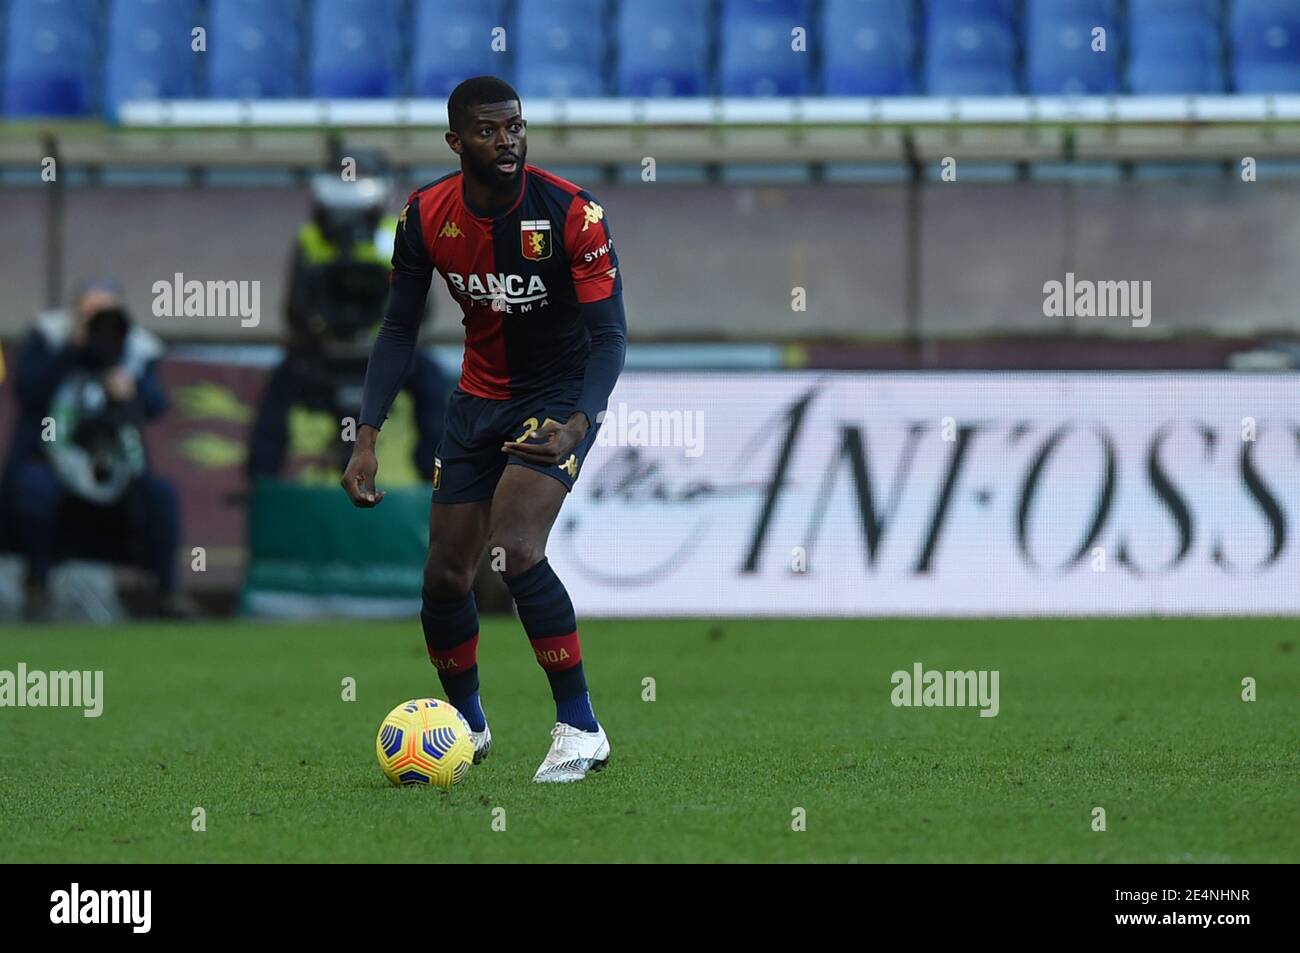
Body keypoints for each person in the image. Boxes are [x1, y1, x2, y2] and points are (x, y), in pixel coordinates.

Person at [342, 76, 627, 783]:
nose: (507, 141)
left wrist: (577, 424)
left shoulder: (572, 213)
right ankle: (466, 724)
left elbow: (612, 336)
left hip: (557, 396)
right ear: (456, 140)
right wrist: (368, 434)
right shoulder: (424, 215)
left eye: (516, 127)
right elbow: (399, 327)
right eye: (489, 131)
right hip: (477, 399)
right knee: (444, 574)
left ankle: (580, 728)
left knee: (518, 549)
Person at [248, 163, 447, 480]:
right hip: (323, 352)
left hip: (384, 350)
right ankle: (260, 484)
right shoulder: (310, 240)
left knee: (432, 383)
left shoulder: (394, 235)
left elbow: (423, 307)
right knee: (279, 389)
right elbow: (296, 310)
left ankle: (438, 481)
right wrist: (322, 327)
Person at [0, 281, 184, 620]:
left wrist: (130, 390)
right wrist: (72, 349)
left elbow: (157, 405)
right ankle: (37, 587)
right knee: (33, 488)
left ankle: (168, 596)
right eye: (90, 315)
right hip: (51, 461)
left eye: (107, 315)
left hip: (117, 471)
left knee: (162, 495)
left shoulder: (135, 350)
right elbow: (28, 391)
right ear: (74, 315)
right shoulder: (50, 338)